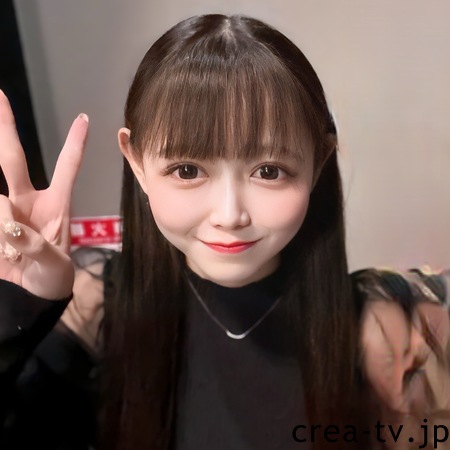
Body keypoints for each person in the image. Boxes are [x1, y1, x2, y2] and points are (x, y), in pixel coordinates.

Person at [0, 13, 449, 450]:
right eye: (188, 170)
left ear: (318, 163)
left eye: (269, 171)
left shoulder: (384, 328)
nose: (230, 215)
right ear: (137, 163)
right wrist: (18, 306)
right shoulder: (98, 310)